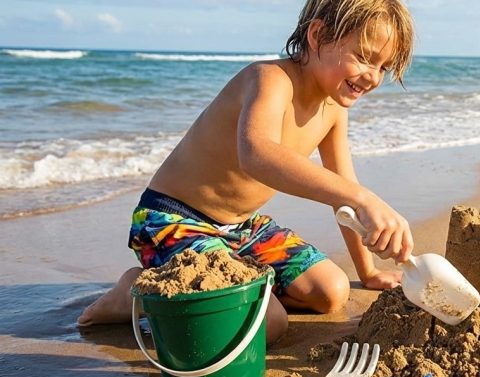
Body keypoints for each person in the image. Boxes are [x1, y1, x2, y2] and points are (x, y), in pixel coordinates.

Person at [77, 0, 416, 346]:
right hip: (173, 220)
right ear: (318, 35)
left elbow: (345, 194)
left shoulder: (333, 110)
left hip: (242, 228)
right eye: (363, 57)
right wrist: (361, 198)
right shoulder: (270, 78)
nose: (373, 77)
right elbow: (256, 153)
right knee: (267, 323)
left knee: (331, 291)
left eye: (383, 67)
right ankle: (140, 294)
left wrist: (368, 271)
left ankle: (227, 291)